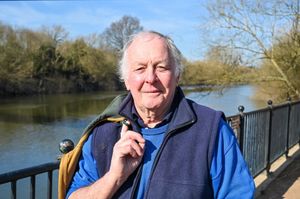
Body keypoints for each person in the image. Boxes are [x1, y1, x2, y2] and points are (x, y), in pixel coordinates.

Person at [66, 31, 255, 199]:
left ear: (177, 76)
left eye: (161, 67)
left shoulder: (212, 130)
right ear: (126, 80)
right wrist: (114, 177)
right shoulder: (103, 132)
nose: (150, 78)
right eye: (140, 68)